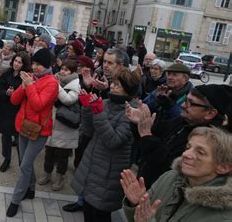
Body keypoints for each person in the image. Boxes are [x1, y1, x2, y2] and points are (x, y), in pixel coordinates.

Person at [126, 84, 232, 189]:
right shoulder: (183, 121)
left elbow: (169, 167)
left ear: (210, 113)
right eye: (186, 100)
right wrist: (140, 122)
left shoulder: (211, 141)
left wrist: (146, 134)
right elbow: (154, 132)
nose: (182, 105)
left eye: (191, 103)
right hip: (150, 188)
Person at [71, 68, 141, 222]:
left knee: (100, 214)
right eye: (113, 83)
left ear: (128, 89)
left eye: (118, 85)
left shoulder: (132, 112)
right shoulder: (106, 102)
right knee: (88, 209)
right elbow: (89, 131)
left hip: (109, 171)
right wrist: (87, 108)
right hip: (92, 163)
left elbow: (113, 141)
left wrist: (98, 112)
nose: (113, 87)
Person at [121, 127, 232, 221]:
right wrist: (137, 204)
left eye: (200, 152)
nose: (186, 154)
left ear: (223, 167)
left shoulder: (223, 215)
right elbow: (140, 218)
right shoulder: (169, 177)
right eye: (188, 147)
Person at [6, 48, 59, 217]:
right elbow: (14, 100)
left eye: (40, 65)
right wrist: (23, 86)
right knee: (24, 162)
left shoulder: (52, 83)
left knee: (25, 165)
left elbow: (38, 104)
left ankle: (15, 199)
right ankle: (31, 188)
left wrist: (29, 86)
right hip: (23, 126)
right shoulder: (30, 78)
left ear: (48, 66)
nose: (35, 67)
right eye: (34, 63)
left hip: (39, 131)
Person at [38, 60, 81, 191]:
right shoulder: (56, 79)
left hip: (64, 126)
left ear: (73, 72)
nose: (63, 71)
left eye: (67, 70)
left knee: (62, 155)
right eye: (62, 68)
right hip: (51, 122)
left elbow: (68, 100)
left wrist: (57, 86)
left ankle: (60, 178)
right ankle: (47, 174)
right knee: (49, 152)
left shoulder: (75, 85)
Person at [0, 52, 31, 172]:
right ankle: (7, 158)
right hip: (4, 110)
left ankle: (23, 162)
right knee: (5, 137)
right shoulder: (7, 73)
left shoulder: (25, 77)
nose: (16, 64)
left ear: (24, 64)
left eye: (20, 62)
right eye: (15, 61)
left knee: (19, 139)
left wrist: (15, 94)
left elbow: (27, 95)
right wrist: (6, 93)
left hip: (18, 112)